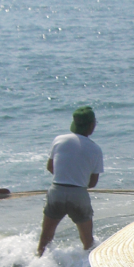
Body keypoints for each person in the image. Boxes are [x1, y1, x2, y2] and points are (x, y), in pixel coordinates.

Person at [36, 106, 104, 256]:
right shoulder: (96, 149)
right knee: (87, 242)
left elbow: (50, 167)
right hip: (79, 195)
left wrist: (66, 175)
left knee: (45, 238)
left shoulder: (59, 140)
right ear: (92, 125)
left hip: (57, 191)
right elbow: (92, 184)